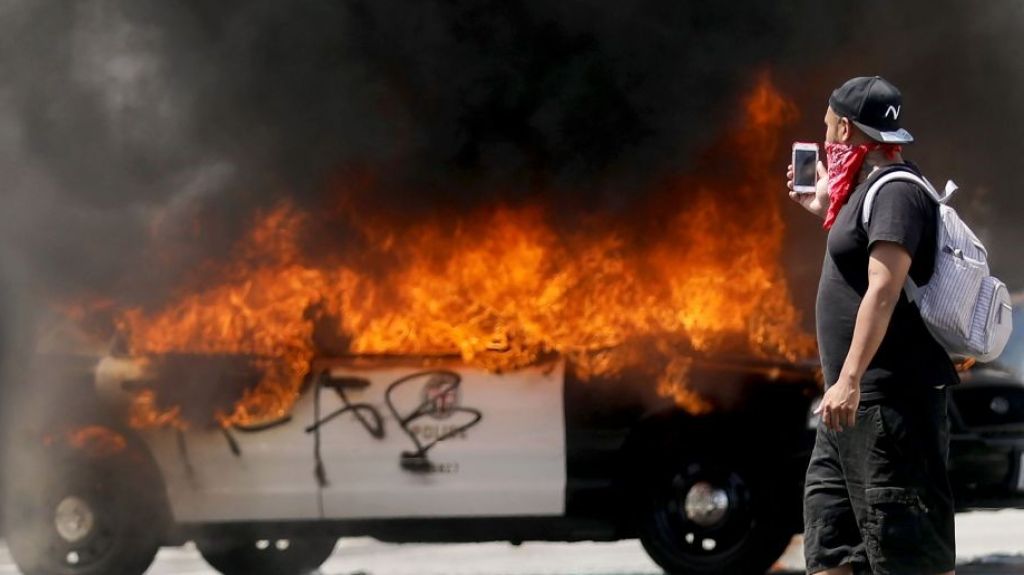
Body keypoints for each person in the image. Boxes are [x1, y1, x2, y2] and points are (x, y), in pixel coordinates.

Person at [786, 76, 960, 575]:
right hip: (849, 411)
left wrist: (849, 378)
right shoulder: (867, 194)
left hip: (888, 407)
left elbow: (883, 289)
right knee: (831, 552)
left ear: (845, 128)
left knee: (907, 555)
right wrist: (828, 208)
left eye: (828, 128)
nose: (826, 140)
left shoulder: (897, 192)